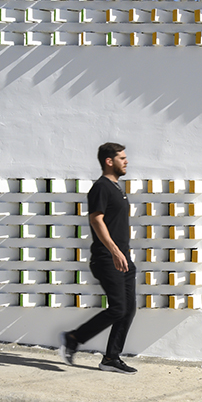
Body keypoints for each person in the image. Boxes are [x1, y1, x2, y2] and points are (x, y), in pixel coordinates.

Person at [59, 142, 137, 373]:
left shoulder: (117, 188)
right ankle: (74, 338)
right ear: (109, 161)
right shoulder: (101, 187)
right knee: (118, 308)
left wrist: (123, 254)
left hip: (123, 258)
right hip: (107, 258)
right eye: (122, 158)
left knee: (128, 309)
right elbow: (96, 219)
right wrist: (114, 251)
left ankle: (111, 358)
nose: (126, 161)